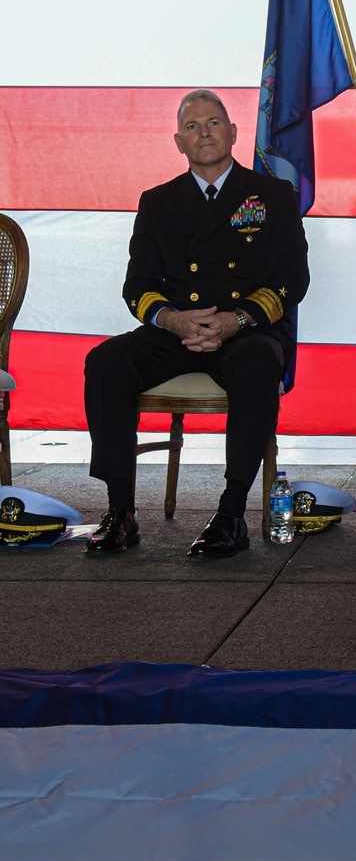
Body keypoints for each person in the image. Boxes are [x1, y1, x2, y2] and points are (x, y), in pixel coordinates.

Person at [84, 91, 309, 558]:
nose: (204, 132)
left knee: (256, 365)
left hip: (246, 329)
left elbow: (292, 278)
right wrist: (171, 318)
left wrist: (237, 318)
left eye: (213, 122)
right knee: (106, 361)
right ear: (178, 143)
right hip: (178, 330)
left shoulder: (272, 195)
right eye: (192, 126)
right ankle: (121, 512)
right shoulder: (157, 201)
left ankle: (231, 515)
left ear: (233, 133)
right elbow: (137, 285)